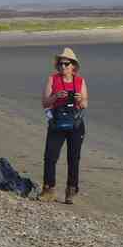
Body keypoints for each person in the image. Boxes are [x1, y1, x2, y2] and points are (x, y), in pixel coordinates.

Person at [38, 47, 89, 204]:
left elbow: (85, 104)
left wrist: (79, 99)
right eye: (60, 64)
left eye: (66, 64)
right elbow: (44, 103)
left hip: (75, 124)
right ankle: (48, 189)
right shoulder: (53, 79)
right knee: (50, 157)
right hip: (57, 123)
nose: (63, 67)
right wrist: (55, 96)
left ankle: (71, 191)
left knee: (73, 159)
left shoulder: (79, 81)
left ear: (73, 66)